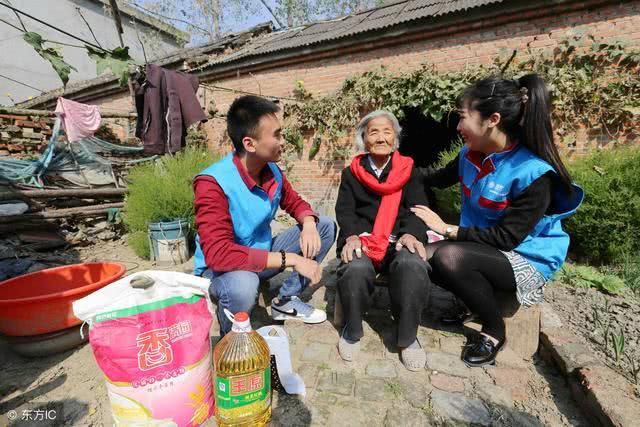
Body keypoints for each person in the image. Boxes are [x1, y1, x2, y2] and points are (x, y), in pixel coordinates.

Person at [412, 74, 583, 367]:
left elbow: (507, 239)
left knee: (449, 257)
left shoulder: (533, 172)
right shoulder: (470, 155)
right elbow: (435, 178)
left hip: (527, 257)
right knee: (423, 256)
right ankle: (472, 303)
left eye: (463, 117)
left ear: (492, 119)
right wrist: (392, 168)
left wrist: (448, 229)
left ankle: (494, 330)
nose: (458, 127)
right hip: (485, 249)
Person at [192, 95, 337, 335]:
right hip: (220, 270)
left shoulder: (271, 171)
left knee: (326, 226)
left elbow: (296, 202)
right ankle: (232, 338)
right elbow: (219, 255)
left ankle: (285, 301)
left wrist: (309, 223)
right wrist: (293, 260)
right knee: (243, 285)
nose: (283, 141)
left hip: (261, 256)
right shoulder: (212, 183)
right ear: (250, 144)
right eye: (277, 135)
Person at [335, 110, 432, 371]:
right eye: (373, 132)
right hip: (364, 240)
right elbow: (344, 211)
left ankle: (408, 337)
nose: (381, 137)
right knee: (355, 267)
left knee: (413, 264)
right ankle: (352, 330)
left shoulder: (408, 171)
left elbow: (417, 208)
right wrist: (352, 236)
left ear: (395, 138)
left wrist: (411, 233)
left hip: (398, 239)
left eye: (387, 131)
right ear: (364, 139)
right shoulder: (352, 172)